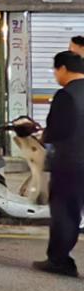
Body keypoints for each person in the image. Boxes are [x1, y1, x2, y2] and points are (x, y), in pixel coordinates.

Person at [33, 51, 84, 277]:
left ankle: (59, 260)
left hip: (70, 163)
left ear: (63, 68)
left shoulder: (66, 95)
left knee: (65, 212)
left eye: (55, 71)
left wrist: (44, 136)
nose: (55, 75)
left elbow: (57, 130)